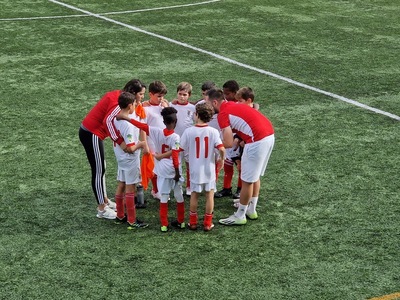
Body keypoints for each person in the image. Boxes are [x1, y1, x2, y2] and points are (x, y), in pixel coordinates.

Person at [79, 79, 146, 219]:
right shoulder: (118, 103)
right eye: (141, 94)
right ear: (133, 93)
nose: (142, 97)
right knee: (98, 170)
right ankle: (102, 209)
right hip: (92, 133)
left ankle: (104, 200)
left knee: (101, 167)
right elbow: (107, 121)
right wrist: (120, 141)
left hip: (93, 132)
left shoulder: (118, 96)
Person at [207, 88, 275, 226]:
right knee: (254, 177)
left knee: (247, 180)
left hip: (257, 140)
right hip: (269, 135)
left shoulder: (223, 114)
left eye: (207, 103)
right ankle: (251, 209)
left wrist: (211, 146)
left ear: (214, 102)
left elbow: (228, 143)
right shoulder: (233, 105)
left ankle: (240, 215)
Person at [117, 107, 185, 232]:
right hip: (174, 171)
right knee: (179, 195)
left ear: (163, 122)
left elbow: (140, 125)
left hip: (162, 171)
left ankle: (164, 225)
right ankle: (181, 222)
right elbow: (175, 156)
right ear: (175, 122)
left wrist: (125, 117)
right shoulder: (176, 137)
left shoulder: (156, 131)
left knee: (164, 197)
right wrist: (176, 172)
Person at [180, 103, 226, 231]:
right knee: (209, 195)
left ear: (198, 115)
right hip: (209, 169)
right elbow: (221, 149)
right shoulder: (213, 131)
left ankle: (193, 222)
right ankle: (207, 223)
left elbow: (180, 149)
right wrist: (221, 160)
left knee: (194, 195)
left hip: (195, 169)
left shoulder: (189, 131)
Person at [112, 92, 148, 229]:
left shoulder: (117, 118)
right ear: (129, 105)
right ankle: (132, 220)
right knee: (130, 188)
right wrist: (142, 144)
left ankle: (120, 215)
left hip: (120, 158)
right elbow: (131, 148)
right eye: (134, 104)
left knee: (121, 184)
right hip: (129, 159)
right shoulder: (127, 125)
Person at [142, 80, 169, 200]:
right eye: (158, 96)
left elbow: (172, 121)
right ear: (150, 94)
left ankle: (162, 188)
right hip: (152, 140)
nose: (161, 98)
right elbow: (142, 128)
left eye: (162, 96)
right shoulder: (144, 108)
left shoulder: (164, 105)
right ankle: (156, 190)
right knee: (153, 166)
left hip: (165, 139)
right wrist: (145, 144)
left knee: (164, 165)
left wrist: (167, 109)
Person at [215, 80, 241, 199]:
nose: (225, 96)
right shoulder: (225, 104)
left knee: (240, 166)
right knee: (227, 164)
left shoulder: (240, 104)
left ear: (236, 93)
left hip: (238, 140)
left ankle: (240, 189)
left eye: (228, 94)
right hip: (228, 139)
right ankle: (227, 188)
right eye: (224, 94)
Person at [170, 82, 196, 196]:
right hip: (175, 140)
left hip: (188, 140)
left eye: (184, 94)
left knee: (189, 163)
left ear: (189, 95)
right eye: (180, 94)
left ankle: (189, 186)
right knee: (176, 163)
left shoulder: (193, 108)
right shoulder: (171, 106)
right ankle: (178, 185)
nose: (181, 97)